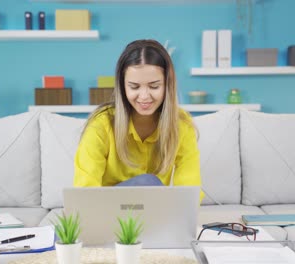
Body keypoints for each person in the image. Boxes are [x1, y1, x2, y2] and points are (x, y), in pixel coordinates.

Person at [74, 39, 202, 200]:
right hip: (108, 211)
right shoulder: (101, 124)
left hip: (154, 212)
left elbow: (189, 190)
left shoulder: (181, 125)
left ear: (167, 85)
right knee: (149, 182)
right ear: (122, 86)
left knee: (155, 189)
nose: (144, 96)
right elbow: (85, 191)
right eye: (134, 87)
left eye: (154, 86)